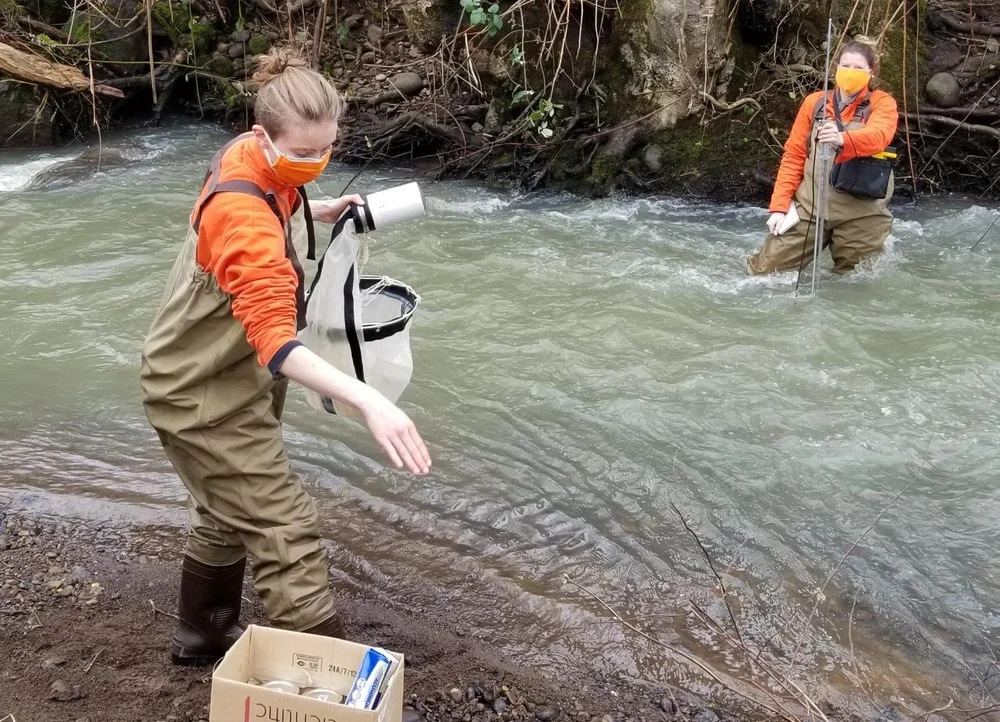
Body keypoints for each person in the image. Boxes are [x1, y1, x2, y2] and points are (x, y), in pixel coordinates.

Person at [140, 48, 432, 679]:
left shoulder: (252, 163)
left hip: (213, 378)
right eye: (300, 156)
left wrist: (312, 206)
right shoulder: (243, 217)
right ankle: (331, 690)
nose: (312, 165)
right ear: (260, 137)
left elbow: (277, 192)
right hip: (202, 397)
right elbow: (275, 340)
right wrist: (368, 398)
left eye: (324, 152)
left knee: (224, 509)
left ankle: (200, 640)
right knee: (286, 529)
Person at [747, 37, 899, 275]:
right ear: (835, 68)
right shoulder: (815, 103)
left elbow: (879, 135)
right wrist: (779, 206)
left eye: (858, 68)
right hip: (810, 208)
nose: (850, 72)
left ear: (871, 72)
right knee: (764, 271)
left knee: (857, 283)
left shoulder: (882, 103)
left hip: (861, 214)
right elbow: (794, 155)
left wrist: (843, 139)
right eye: (845, 66)